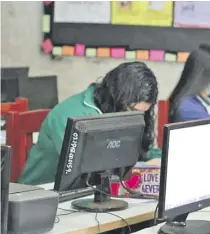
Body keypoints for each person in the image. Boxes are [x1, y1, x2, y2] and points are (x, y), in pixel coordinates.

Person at [19, 62, 161, 185]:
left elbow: (144, 152)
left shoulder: (117, 109)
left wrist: (158, 161)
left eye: (141, 113)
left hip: (89, 198)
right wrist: (137, 169)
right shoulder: (74, 116)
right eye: (131, 110)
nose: (134, 118)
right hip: (41, 197)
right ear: (115, 97)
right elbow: (89, 170)